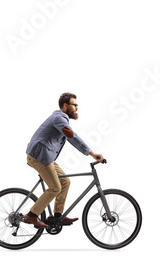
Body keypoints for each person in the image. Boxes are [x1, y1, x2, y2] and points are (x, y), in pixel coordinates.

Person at [24, 93, 104, 228]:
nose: (77, 108)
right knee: (55, 188)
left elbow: (70, 138)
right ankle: (31, 216)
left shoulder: (61, 119)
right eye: (74, 105)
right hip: (39, 157)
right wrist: (92, 154)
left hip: (46, 156)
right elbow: (73, 137)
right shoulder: (59, 119)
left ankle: (57, 216)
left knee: (65, 181)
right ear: (65, 106)